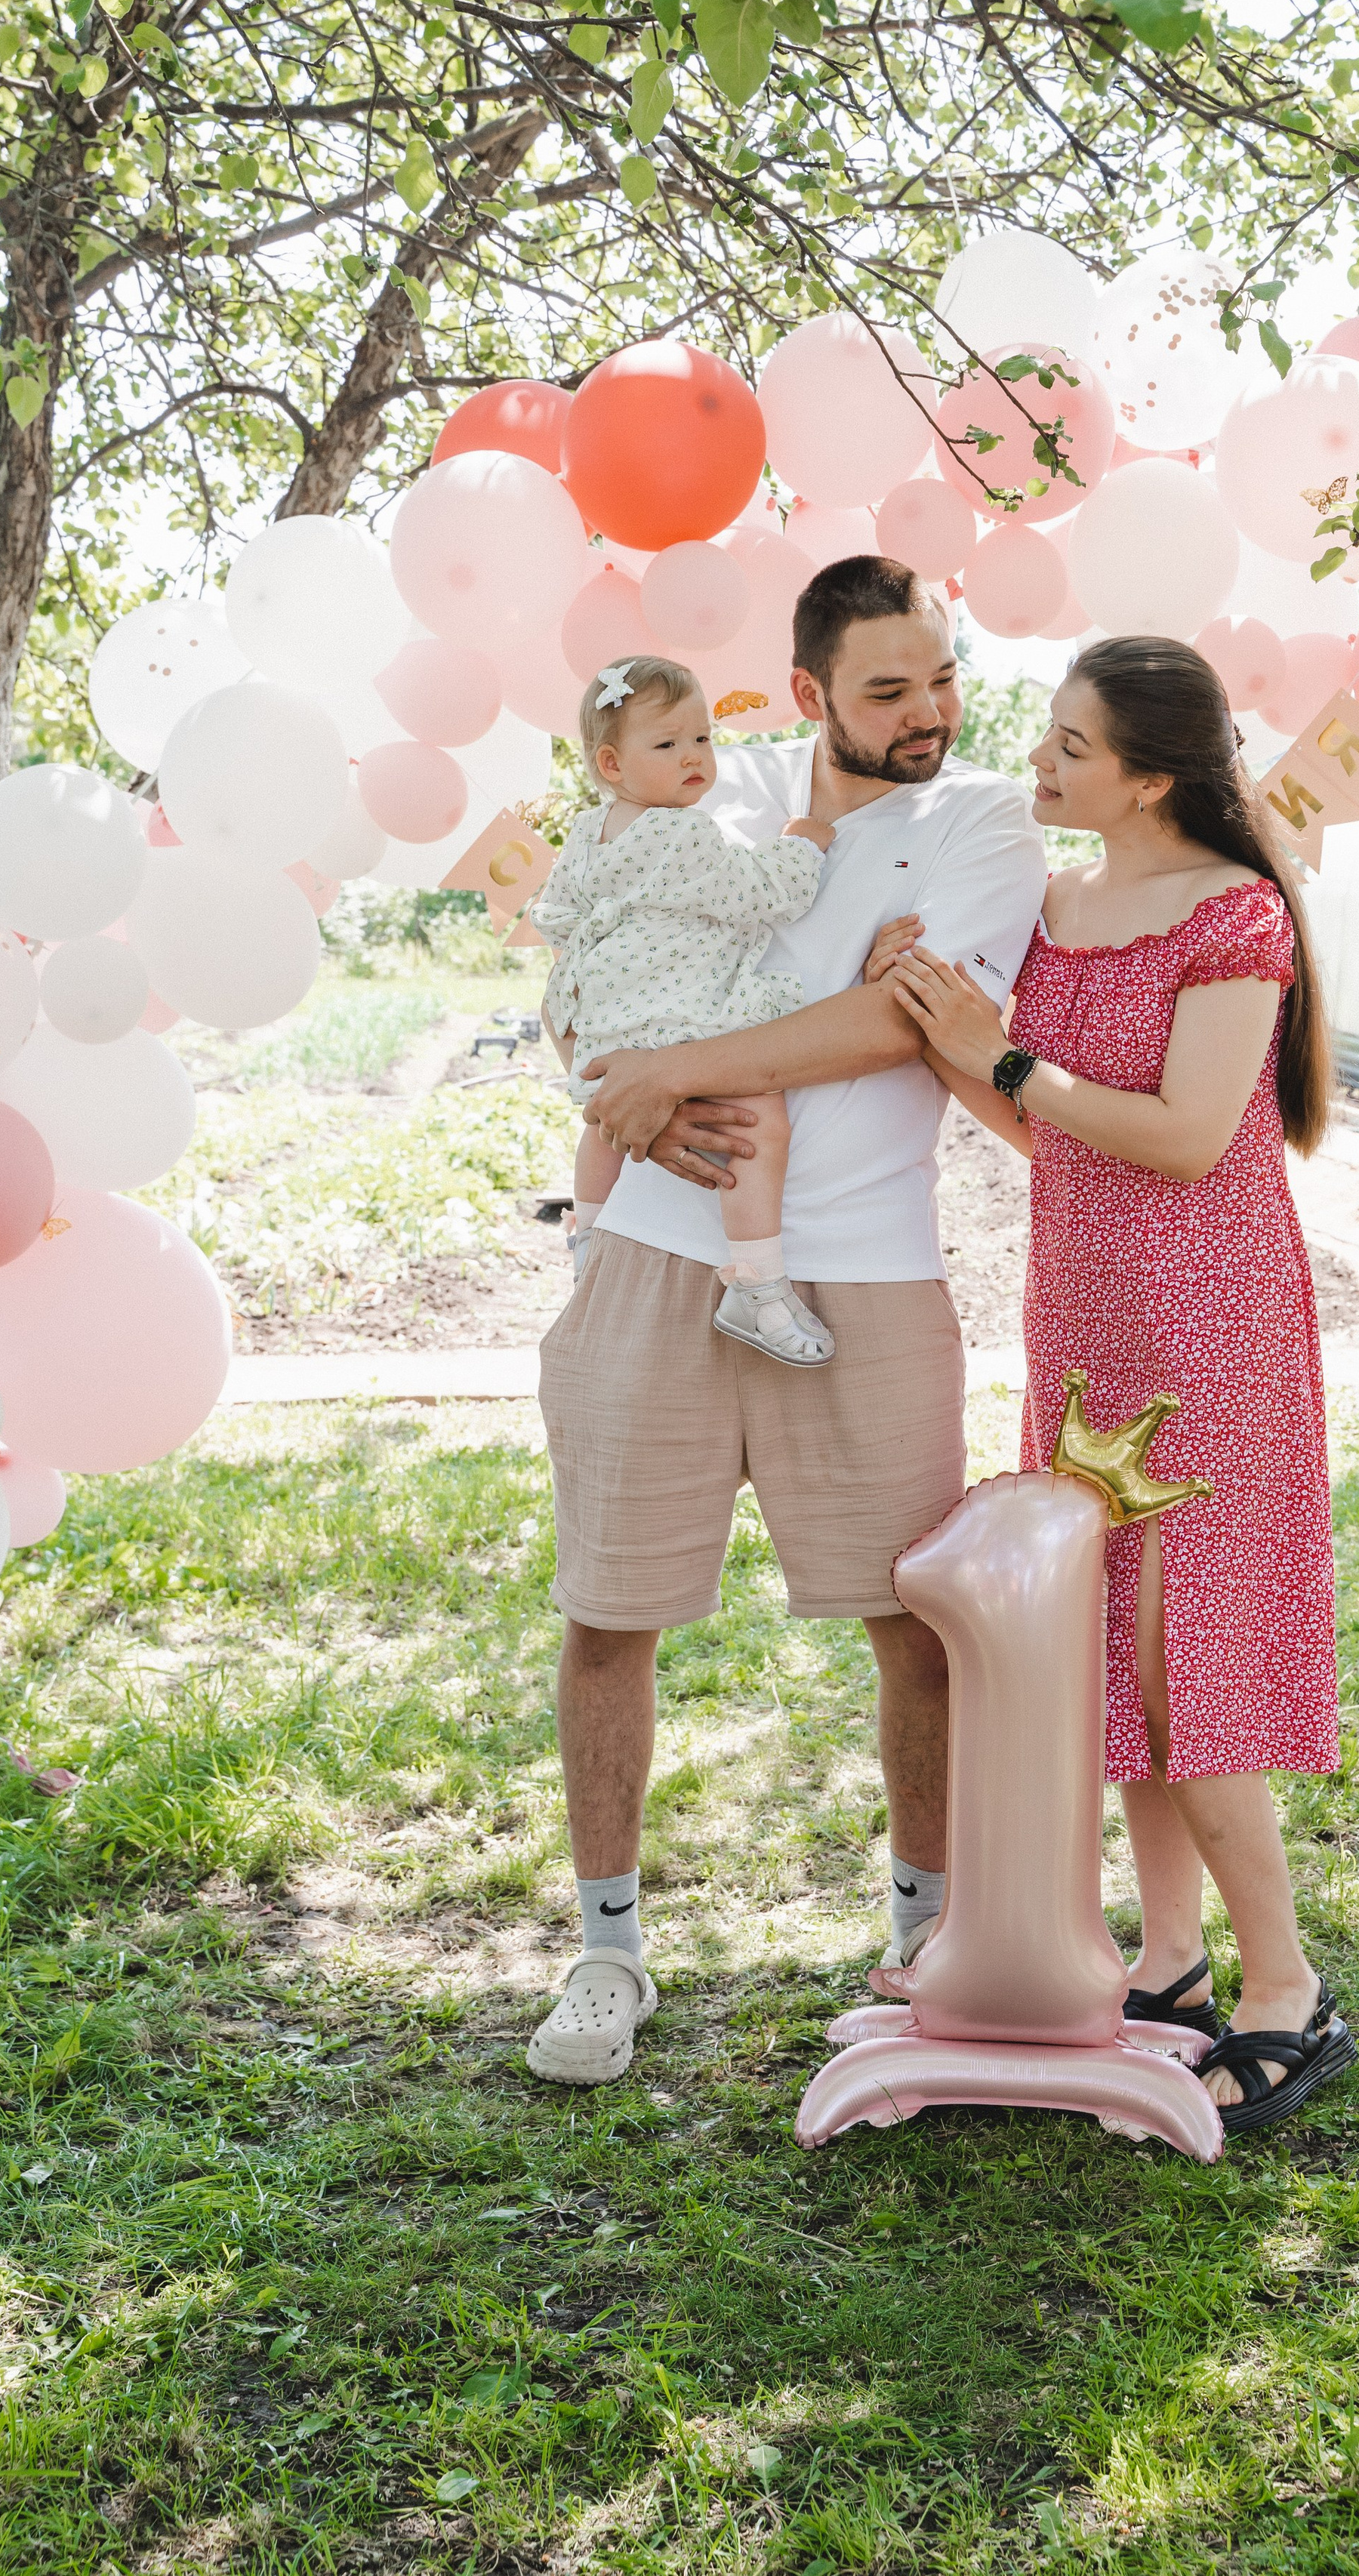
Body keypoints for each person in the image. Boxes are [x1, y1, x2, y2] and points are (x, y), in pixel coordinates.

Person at [525, 552, 1049, 2088]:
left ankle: (926, 1940)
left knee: (915, 1622)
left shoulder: (980, 822)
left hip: (866, 1271)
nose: (931, 713)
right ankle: (606, 1950)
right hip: (651, 1252)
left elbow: (902, 1018)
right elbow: (585, 959)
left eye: (943, 678)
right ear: (811, 692)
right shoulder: (715, 781)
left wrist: (678, 1069)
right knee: (607, 1611)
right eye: (889, 690)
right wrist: (608, 1068)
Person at [887, 632, 1356, 2139]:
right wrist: (942, 1034)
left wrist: (1004, 1061)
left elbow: (1182, 1132)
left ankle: (1285, 1990)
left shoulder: (1233, 913)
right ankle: (1168, 1964)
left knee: (1184, 1671)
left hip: (1208, 1335)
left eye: (1070, 748)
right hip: (1085, 1325)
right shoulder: (1059, 903)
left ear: (1150, 774)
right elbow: (1058, 1141)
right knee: (1106, 1660)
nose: (1037, 762)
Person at [532, 651, 841, 1367]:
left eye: (702, 738)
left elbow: (558, 916)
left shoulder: (587, 832)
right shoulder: (683, 833)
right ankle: (757, 1283)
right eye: (667, 745)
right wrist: (801, 845)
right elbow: (759, 893)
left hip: (605, 1010)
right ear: (612, 764)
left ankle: (589, 1244)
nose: (694, 758)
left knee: (604, 1127)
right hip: (680, 1006)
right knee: (756, 1118)